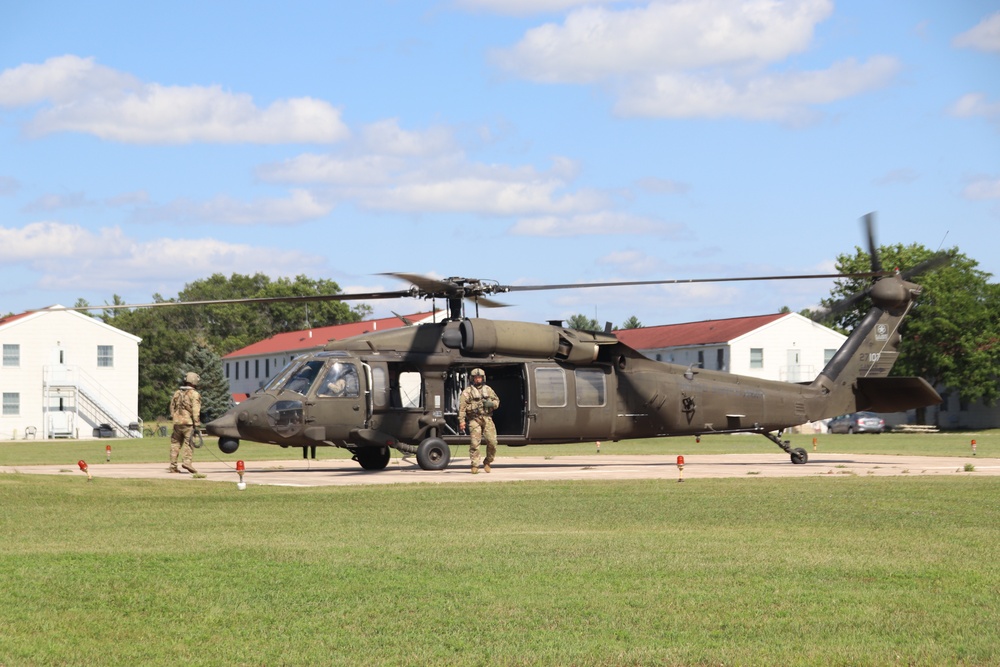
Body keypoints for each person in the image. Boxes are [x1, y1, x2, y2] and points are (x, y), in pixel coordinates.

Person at [458, 368, 500, 474]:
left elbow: (497, 402)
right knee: (474, 443)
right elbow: (462, 408)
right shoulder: (467, 392)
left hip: (487, 418)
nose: (478, 379)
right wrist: (461, 421)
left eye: (480, 377)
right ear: (472, 379)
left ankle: (488, 461)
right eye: (476, 378)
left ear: (483, 378)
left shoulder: (488, 390)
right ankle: (475, 464)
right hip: (474, 419)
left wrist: (491, 404)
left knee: (492, 442)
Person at [168, 371, 202, 474]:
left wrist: (174, 416)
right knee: (189, 442)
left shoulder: (177, 393)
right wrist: (197, 424)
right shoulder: (195, 394)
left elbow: (171, 406)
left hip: (177, 422)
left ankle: (173, 466)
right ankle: (187, 462)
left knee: (175, 444)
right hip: (188, 423)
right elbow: (196, 411)